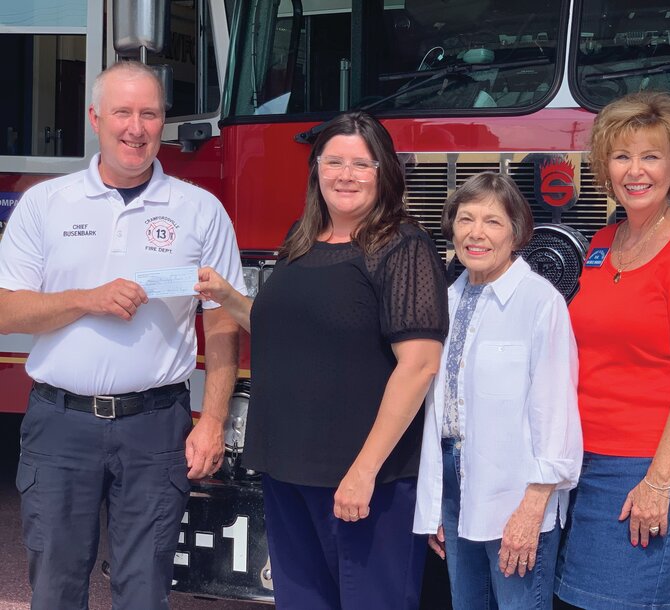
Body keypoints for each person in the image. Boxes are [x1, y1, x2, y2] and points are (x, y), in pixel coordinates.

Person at [0, 61, 244, 610]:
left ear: (163, 122)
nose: (136, 128)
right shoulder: (45, 204)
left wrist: (214, 421)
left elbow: (222, 320)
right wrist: (87, 299)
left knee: (144, 591)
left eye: (150, 114)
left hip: (156, 428)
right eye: (122, 113)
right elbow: (5, 311)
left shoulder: (200, 210)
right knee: (56, 588)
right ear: (95, 119)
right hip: (60, 427)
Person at [195, 111, 449, 610]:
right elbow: (286, 330)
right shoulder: (301, 240)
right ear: (316, 170)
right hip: (288, 467)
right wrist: (228, 297)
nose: (345, 175)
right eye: (334, 162)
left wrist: (364, 470)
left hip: (363, 479)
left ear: (384, 172)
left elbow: (419, 365)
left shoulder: (402, 246)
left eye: (361, 163)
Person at [555, 91, 670, 610]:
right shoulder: (604, 242)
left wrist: (657, 481)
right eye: (622, 156)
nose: (636, 170)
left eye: (651, 156)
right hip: (579, 463)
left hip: (643, 468)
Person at [413, 172, 583, 610]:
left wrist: (533, 507)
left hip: (517, 492)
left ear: (517, 232)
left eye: (492, 221)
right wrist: (438, 506)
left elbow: (556, 411)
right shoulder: (446, 300)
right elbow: (437, 410)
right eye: (466, 219)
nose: (476, 233)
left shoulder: (539, 301)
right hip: (457, 485)